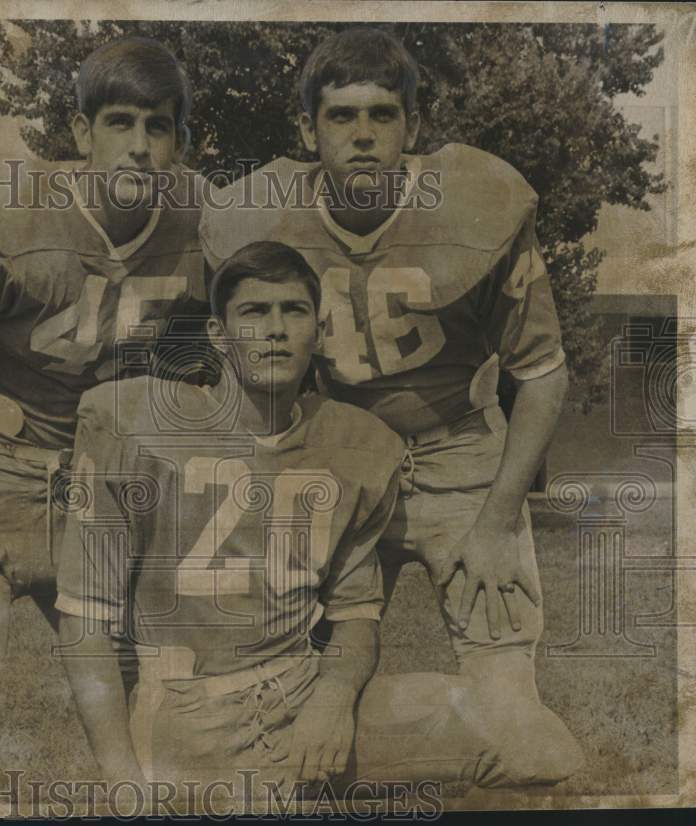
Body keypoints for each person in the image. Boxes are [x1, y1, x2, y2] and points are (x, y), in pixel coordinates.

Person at [57, 241, 581, 811]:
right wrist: (122, 780)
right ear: (218, 335)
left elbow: (356, 619)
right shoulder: (133, 425)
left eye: (294, 311)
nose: (275, 330)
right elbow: (85, 622)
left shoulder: (354, 446)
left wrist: (333, 698)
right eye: (254, 313)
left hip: (301, 692)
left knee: (535, 741)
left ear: (320, 332)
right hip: (186, 717)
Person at [199, 27, 582, 786]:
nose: (363, 135)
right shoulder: (258, 216)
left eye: (383, 114)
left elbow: (543, 372)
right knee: (283, 706)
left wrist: (500, 519)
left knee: (518, 732)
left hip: (464, 454)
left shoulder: (477, 203)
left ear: (414, 126)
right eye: (341, 117)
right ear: (308, 130)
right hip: (338, 460)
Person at [0, 37, 206, 809]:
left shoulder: (202, 223)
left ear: (179, 143)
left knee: (160, 739)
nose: (138, 145)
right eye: (119, 122)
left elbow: (202, 359)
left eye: (158, 127)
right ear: (81, 132)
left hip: (103, 487)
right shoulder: (4, 206)